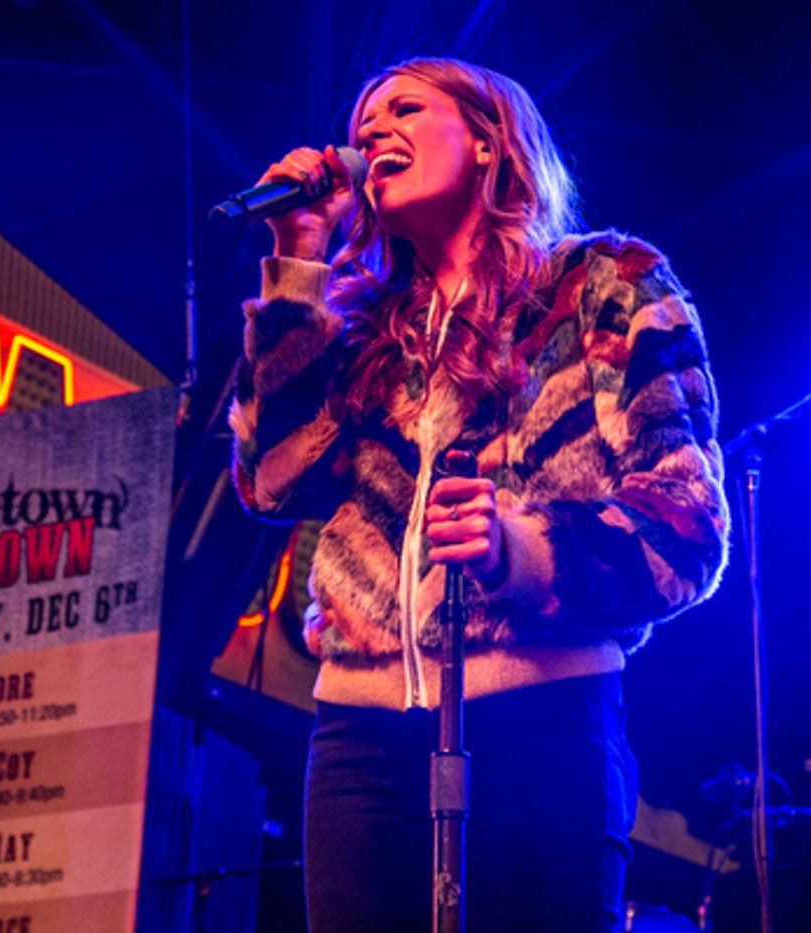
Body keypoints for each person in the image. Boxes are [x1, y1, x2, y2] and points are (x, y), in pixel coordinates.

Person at [229, 57, 728, 931]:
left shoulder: (604, 286)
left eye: (405, 109)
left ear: (492, 138)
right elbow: (271, 480)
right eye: (364, 121)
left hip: (541, 717)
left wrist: (523, 550)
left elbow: (687, 526)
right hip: (358, 735)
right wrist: (298, 263)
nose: (372, 132)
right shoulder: (357, 326)